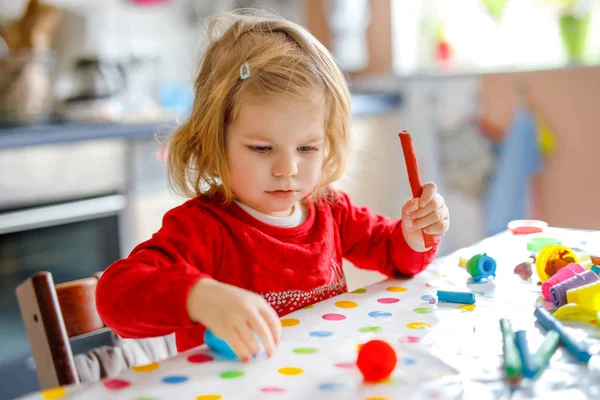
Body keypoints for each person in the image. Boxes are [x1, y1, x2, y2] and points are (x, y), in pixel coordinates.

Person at [96, 10, 450, 363]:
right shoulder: (202, 230)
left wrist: (415, 234)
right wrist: (200, 297)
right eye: (262, 149)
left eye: (307, 148)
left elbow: (394, 254)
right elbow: (115, 297)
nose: (288, 169)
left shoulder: (330, 209)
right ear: (214, 141)